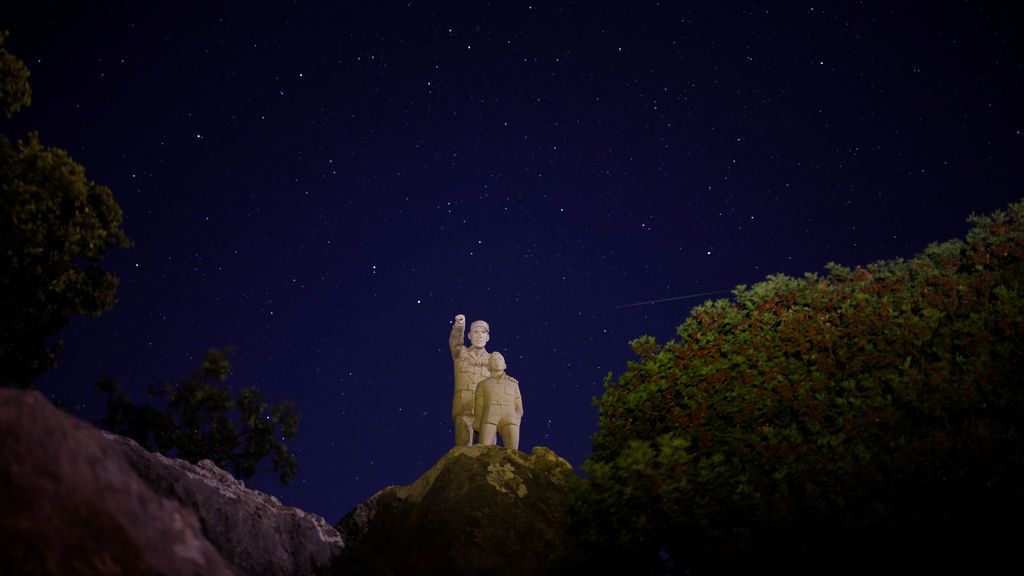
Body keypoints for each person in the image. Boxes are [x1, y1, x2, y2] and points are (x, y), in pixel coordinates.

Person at [449, 314, 491, 446]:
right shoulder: (461, 354)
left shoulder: (494, 360)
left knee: (488, 450)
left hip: (486, 409)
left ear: (488, 337)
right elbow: (455, 341)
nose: (479, 335)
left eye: (483, 332)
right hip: (464, 406)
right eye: (476, 331)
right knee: (463, 450)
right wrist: (459, 325)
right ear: (469, 336)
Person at [473, 352, 523, 451]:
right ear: (488, 366)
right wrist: (478, 421)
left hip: (509, 417)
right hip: (489, 417)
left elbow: (519, 406)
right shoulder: (482, 384)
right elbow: (479, 406)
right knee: (484, 449)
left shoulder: (513, 384)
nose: (497, 362)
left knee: (513, 451)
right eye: (493, 360)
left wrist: (516, 418)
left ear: (505, 365)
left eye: (500, 359)